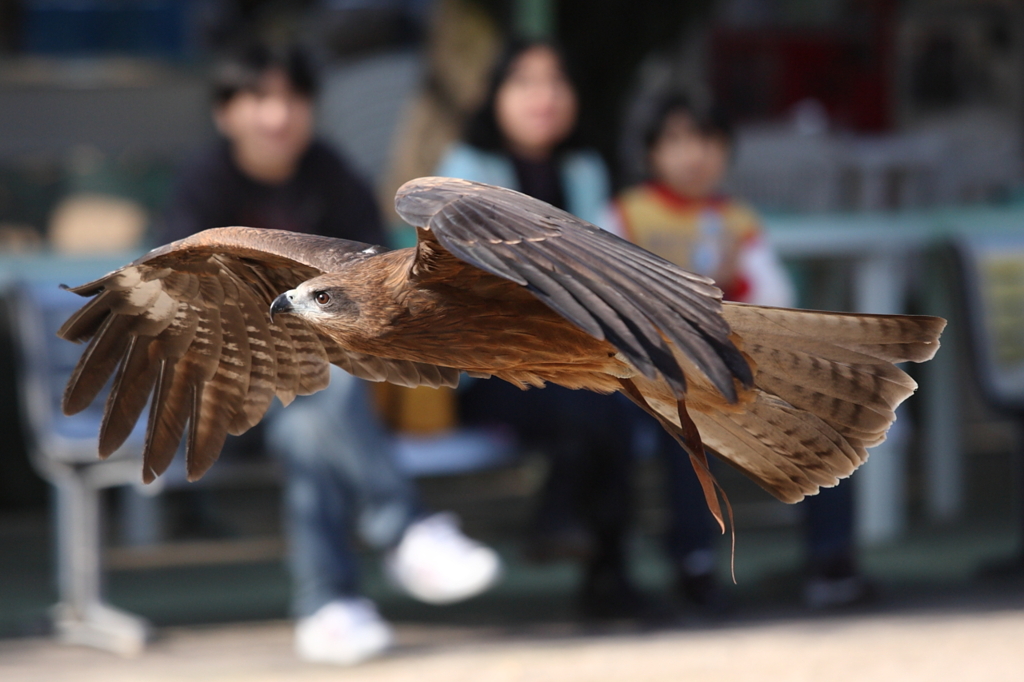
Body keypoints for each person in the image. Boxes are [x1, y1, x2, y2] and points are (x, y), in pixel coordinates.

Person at [160, 42, 501, 665]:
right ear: (225, 112)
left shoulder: (333, 175)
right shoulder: (204, 187)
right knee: (317, 403)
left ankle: (330, 606)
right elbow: (184, 307)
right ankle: (403, 533)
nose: (278, 114)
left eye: (292, 97)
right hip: (229, 399)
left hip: (322, 392)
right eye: (260, 97)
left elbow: (373, 286)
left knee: (312, 422)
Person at [609, 92, 871, 610]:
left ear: (725, 151)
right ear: (651, 154)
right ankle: (694, 564)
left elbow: (778, 300)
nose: (693, 154)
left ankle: (830, 558)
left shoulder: (737, 219)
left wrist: (736, 281)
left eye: (706, 140)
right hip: (651, 371)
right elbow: (609, 303)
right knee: (683, 429)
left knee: (826, 413)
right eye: (676, 140)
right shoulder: (625, 215)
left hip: (732, 371)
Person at [435, 39, 645, 619]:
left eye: (555, 82)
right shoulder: (464, 170)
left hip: (568, 354)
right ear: (496, 95)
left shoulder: (583, 169)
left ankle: (581, 543)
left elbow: (604, 268)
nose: (544, 96)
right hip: (487, 367)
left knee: (616, 405)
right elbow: (466, 278)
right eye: (525, 82)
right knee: (592, 406)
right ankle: (602, 570)